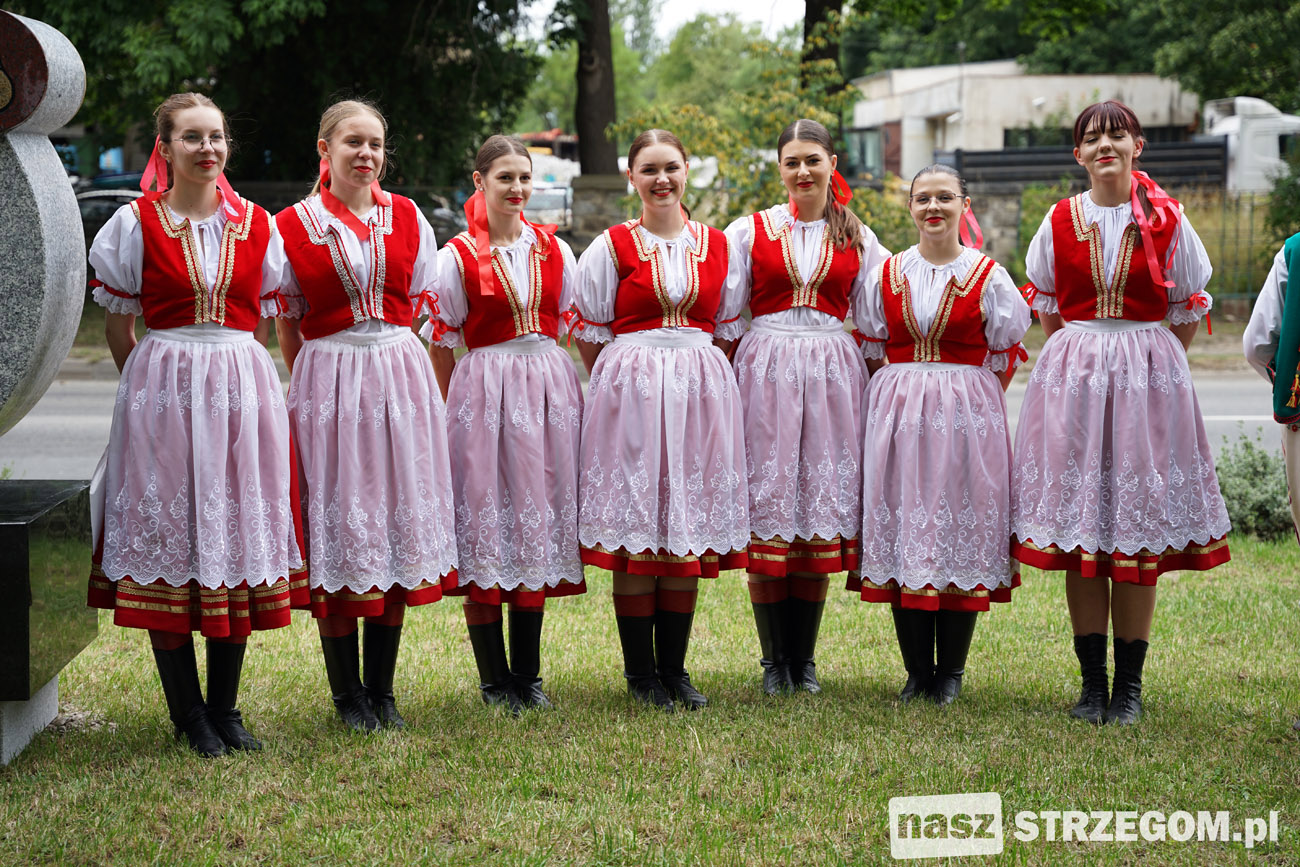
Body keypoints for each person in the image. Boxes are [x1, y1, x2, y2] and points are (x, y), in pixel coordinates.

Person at [87, 93, 303, 757]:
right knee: (171, 536)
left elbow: (258, 321)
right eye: (192, 137)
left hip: (241, 388)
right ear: (166, 147)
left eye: (216, 137)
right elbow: (120, 328)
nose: (207, 148)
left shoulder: (258, 226)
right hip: (163, 392)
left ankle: (225, 709)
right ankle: (189, 715)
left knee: (233, 531)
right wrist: (153, 393)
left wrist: (233, 379)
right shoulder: (134, 224)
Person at [1012, 100, 1230, 725]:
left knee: (1134, 533)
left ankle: (1128, 689)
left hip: (1147, 383)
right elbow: (1050, 309)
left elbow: (1186, 308)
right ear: (1078, 154)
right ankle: (1091, 685)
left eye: (1117, 134)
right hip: (1075, 380)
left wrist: (1147, 359)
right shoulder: (1059, 219)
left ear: (1138, 146)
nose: (1105, 144)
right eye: (1092, 137)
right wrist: (1087, 354)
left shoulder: (1168, 219)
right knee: (1084, 531)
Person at [275, 99, 458, 732]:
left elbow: (422, 304)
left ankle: (381, 688)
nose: (366, 154)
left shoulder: (406, 216)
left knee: (392, 519)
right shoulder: (291, 225)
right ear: (324, 150)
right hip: (330, 375)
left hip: (399, 373)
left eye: (375, 144)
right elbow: (288, 322)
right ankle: (346, 693)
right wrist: (315, 385)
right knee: (339, 520)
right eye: (353, 142)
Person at [571, 128, 749, 711]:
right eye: (649, 169)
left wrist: (693, 376)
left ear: (686, 170)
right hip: (633, 395)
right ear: (632, 178)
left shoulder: (718, 245)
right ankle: (640, 673)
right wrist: (631, 376)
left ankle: (674, 669)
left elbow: (727, 327)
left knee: (684, 524)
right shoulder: (612, 246)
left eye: (670, 167)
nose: (661, 179)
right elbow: (590, 329)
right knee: (637, 523)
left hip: (699, 392)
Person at [723, 119, 890, 695]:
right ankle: (775, 660)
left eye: (812, 160)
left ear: (832, 164)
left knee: (818, 503)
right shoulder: (748, 232)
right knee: (770, 503)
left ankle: (804, 658)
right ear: (779, 168)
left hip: (830, 375)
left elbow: (874, 321)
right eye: (792, 161)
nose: (802, 171)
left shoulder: (858, 235)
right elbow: (728, 315)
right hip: (765, 370)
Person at [853, 164, 1029, 705]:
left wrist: (962, 395)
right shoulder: (886, 273)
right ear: (910, 207)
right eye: (923, 198)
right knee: (907, 525)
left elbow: (1004, 353)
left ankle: (950, 671)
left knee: (959, 526)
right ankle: (916, 671)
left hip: (966, 415)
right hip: (899, 413)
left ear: (963, 205)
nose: (933, 207)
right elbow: (872, 346)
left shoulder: (988, 275)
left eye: (944, 197)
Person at [423, 135, 585, 713]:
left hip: (545, 391)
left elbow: (567, 324)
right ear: (480, 182)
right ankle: (495, 679)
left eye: (524, 178)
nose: (517, 188)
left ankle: (528, 676)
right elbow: (442, 343)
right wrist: (459, 409)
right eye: (504, 178)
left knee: (534, 519)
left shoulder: (554, 249)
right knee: (487, 523)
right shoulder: (456, 256)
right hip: (484, 391)